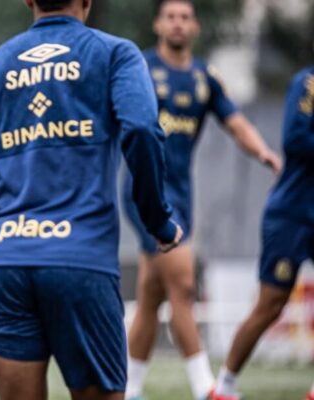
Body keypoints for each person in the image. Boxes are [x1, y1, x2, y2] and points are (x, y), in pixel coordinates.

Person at [0, 0, 182, 398]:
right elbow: (142, 131)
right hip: (80, 262)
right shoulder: (115, 54)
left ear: (28, 1)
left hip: (8, 263)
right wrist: (157, 221)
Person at [122, 2, 282, 399]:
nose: (177, 23)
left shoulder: (204, 76)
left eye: (185, 17)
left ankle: (129, 388)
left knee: (151, 295)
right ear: (159, 24)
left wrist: (263, 151)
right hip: (144, 190)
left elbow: (235, 121)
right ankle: (207, 389)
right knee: (183, 284)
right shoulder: (140, 68)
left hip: (181, 193)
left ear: (194, 26)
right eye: (170, 16)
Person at [210, 64, 314, 400]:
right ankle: (223, 387)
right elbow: (296, 139)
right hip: (292, 215)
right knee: (270, 304)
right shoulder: (308, 82)